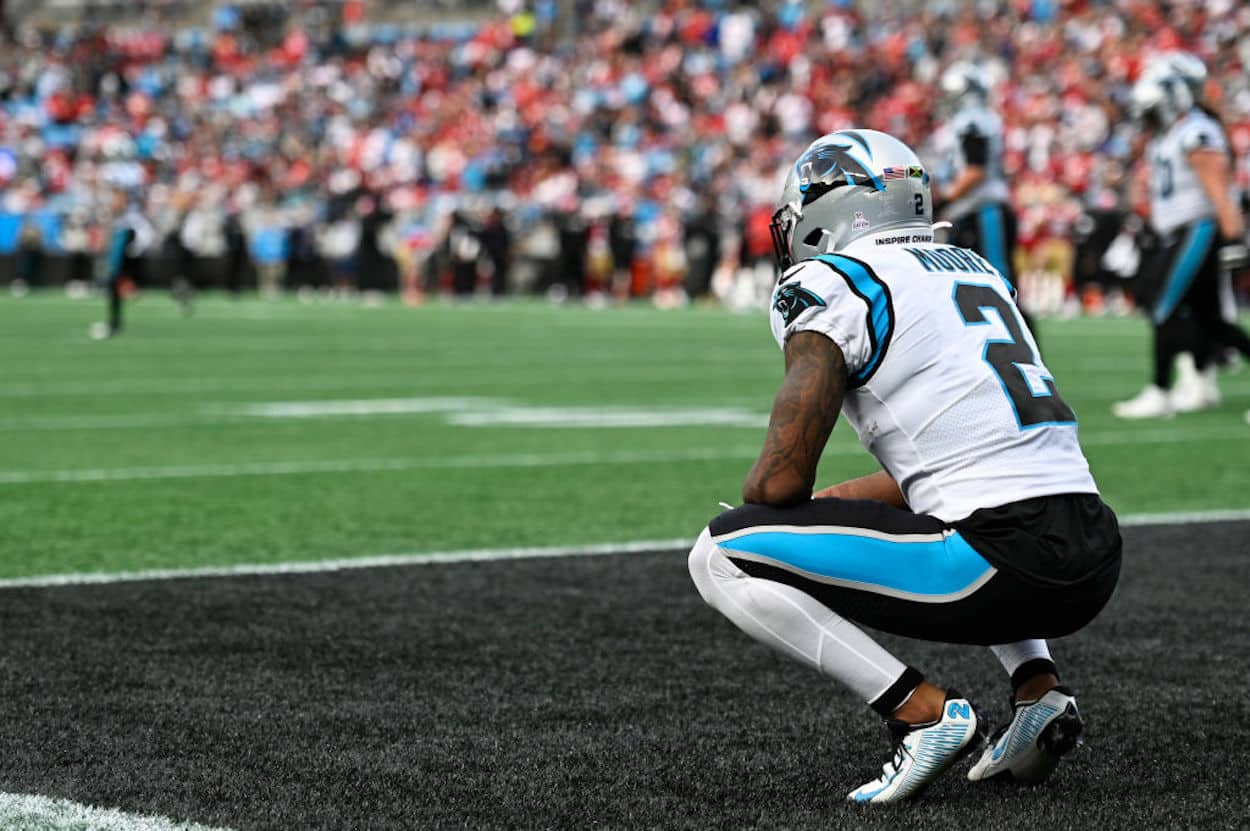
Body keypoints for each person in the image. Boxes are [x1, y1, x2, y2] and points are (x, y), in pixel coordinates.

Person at [687, 130, 1122, 803]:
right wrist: (844, 506)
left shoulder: (833, 280)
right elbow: (960, 461)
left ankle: (920, 713)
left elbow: (778, 481)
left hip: (995, 563)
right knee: (954, 502)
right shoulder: (976, 268)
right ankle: (1039, 687)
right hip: (1094, 550)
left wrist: (783, 510)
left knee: (718, 554)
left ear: (837, 207)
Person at [1113, 58, 1250, 418]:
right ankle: (1195, 385)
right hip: (1180, 231)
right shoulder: (1172, 133)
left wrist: (1234, 237)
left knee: (1164, 306)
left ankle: (1159, 391)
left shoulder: (1197, 131)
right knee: (1210, 322)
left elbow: (1220, 190)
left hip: (1198, 230)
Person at [932, 63, 1038, 341]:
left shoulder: (973, 120)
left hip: (984, 212)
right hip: (971, 213)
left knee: (1001, 287)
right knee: (962, 289)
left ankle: (1029, 358)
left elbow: (975, 170)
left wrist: (945, 199)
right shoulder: (972, 120)